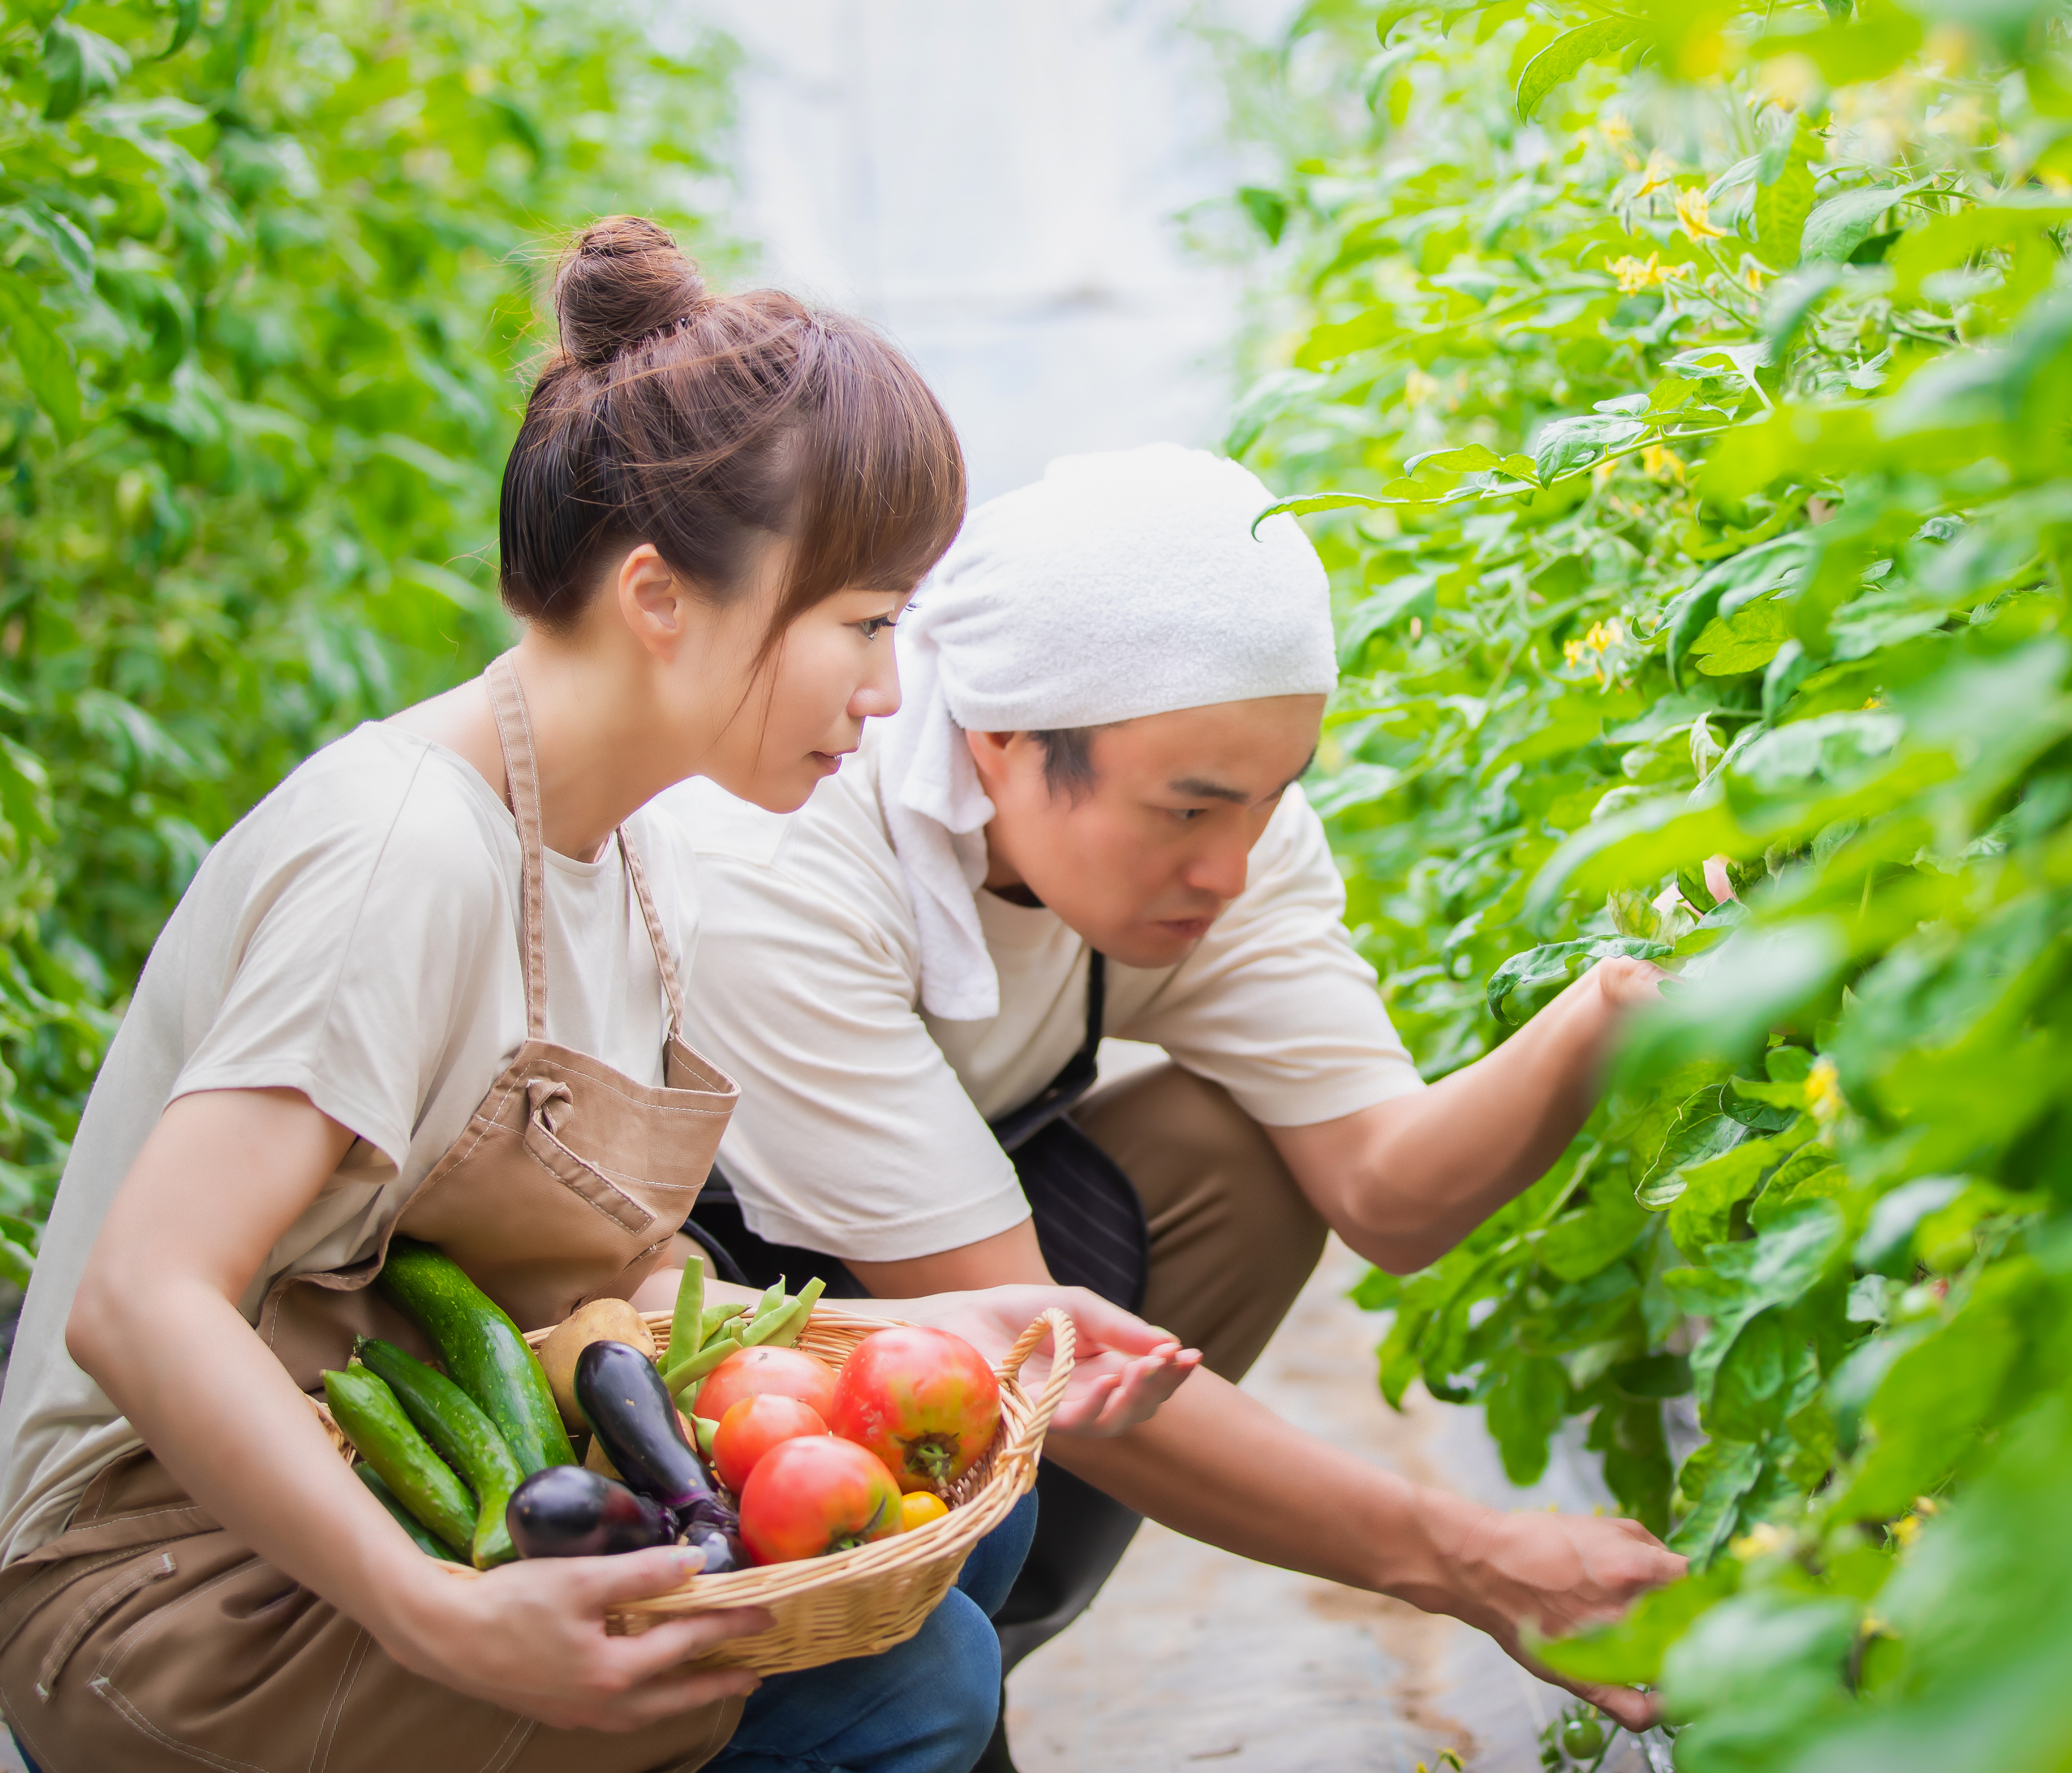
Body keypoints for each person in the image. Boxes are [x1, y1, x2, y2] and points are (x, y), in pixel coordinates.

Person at [0, 219, 1195, 1773]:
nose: (889, 690)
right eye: (864, 622)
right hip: (168, 1585)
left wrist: (950, 1322)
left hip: (408, 1488)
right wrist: (438, 1616)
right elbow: (143, 1301)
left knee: (973, 1531)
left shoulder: (636, 857)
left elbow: (599, 1305)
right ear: (659, 597)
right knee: (906, 1690)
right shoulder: (404, 852)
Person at [664, 443, 1686, 1763]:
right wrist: (1471, 1560)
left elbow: (1389, 1191)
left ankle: (974, 1631)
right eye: (1188, 810)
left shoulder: (1225, 837)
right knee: (954, 1433)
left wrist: (1611, 1007)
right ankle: (845, 1676)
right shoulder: (789, 862)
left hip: (935, 1279)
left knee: (1233, 1160)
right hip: (705, 1313)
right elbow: (1034, 1344)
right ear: (998, 741)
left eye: (1270, 797)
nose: (1231, 867)